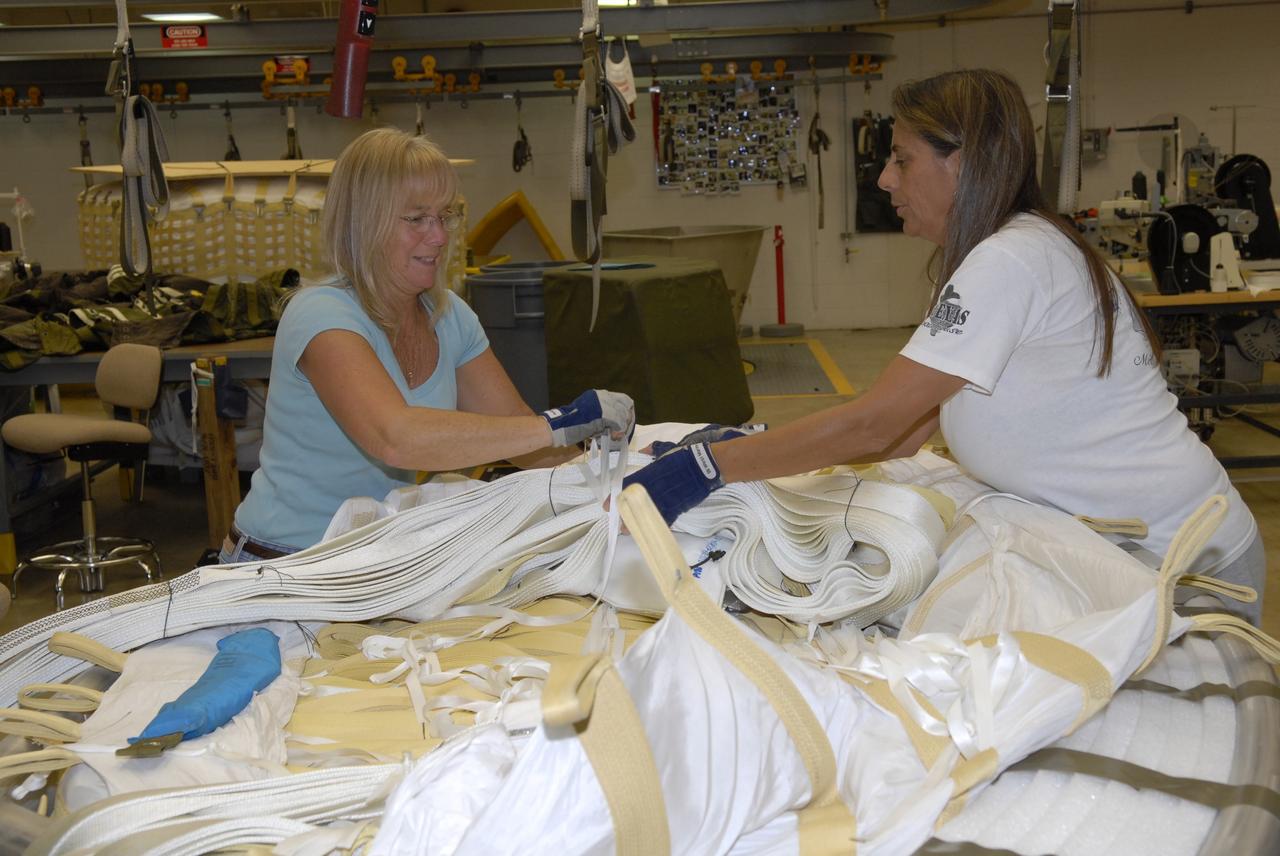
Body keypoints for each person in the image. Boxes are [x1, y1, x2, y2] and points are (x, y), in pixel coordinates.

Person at [625, 69, 1264, 624]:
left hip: (1183, 563)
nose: (883, 179)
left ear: (959, 162)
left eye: (901, 159)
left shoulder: (1011, 259)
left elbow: (876, 420)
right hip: (1134, 547)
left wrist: (711, 467)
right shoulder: (1006, 251)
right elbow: (900, 436)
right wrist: (770, 468)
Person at [223, 128, 633, 562]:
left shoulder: (449, 316)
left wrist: (607, 482)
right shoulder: (321, 315)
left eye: (445, 216)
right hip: (284, 561)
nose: (439, 237)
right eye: (417, 218)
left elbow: (522, 437)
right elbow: (395, 437)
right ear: (364, 223)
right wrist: (565, 420)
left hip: (379, 556)